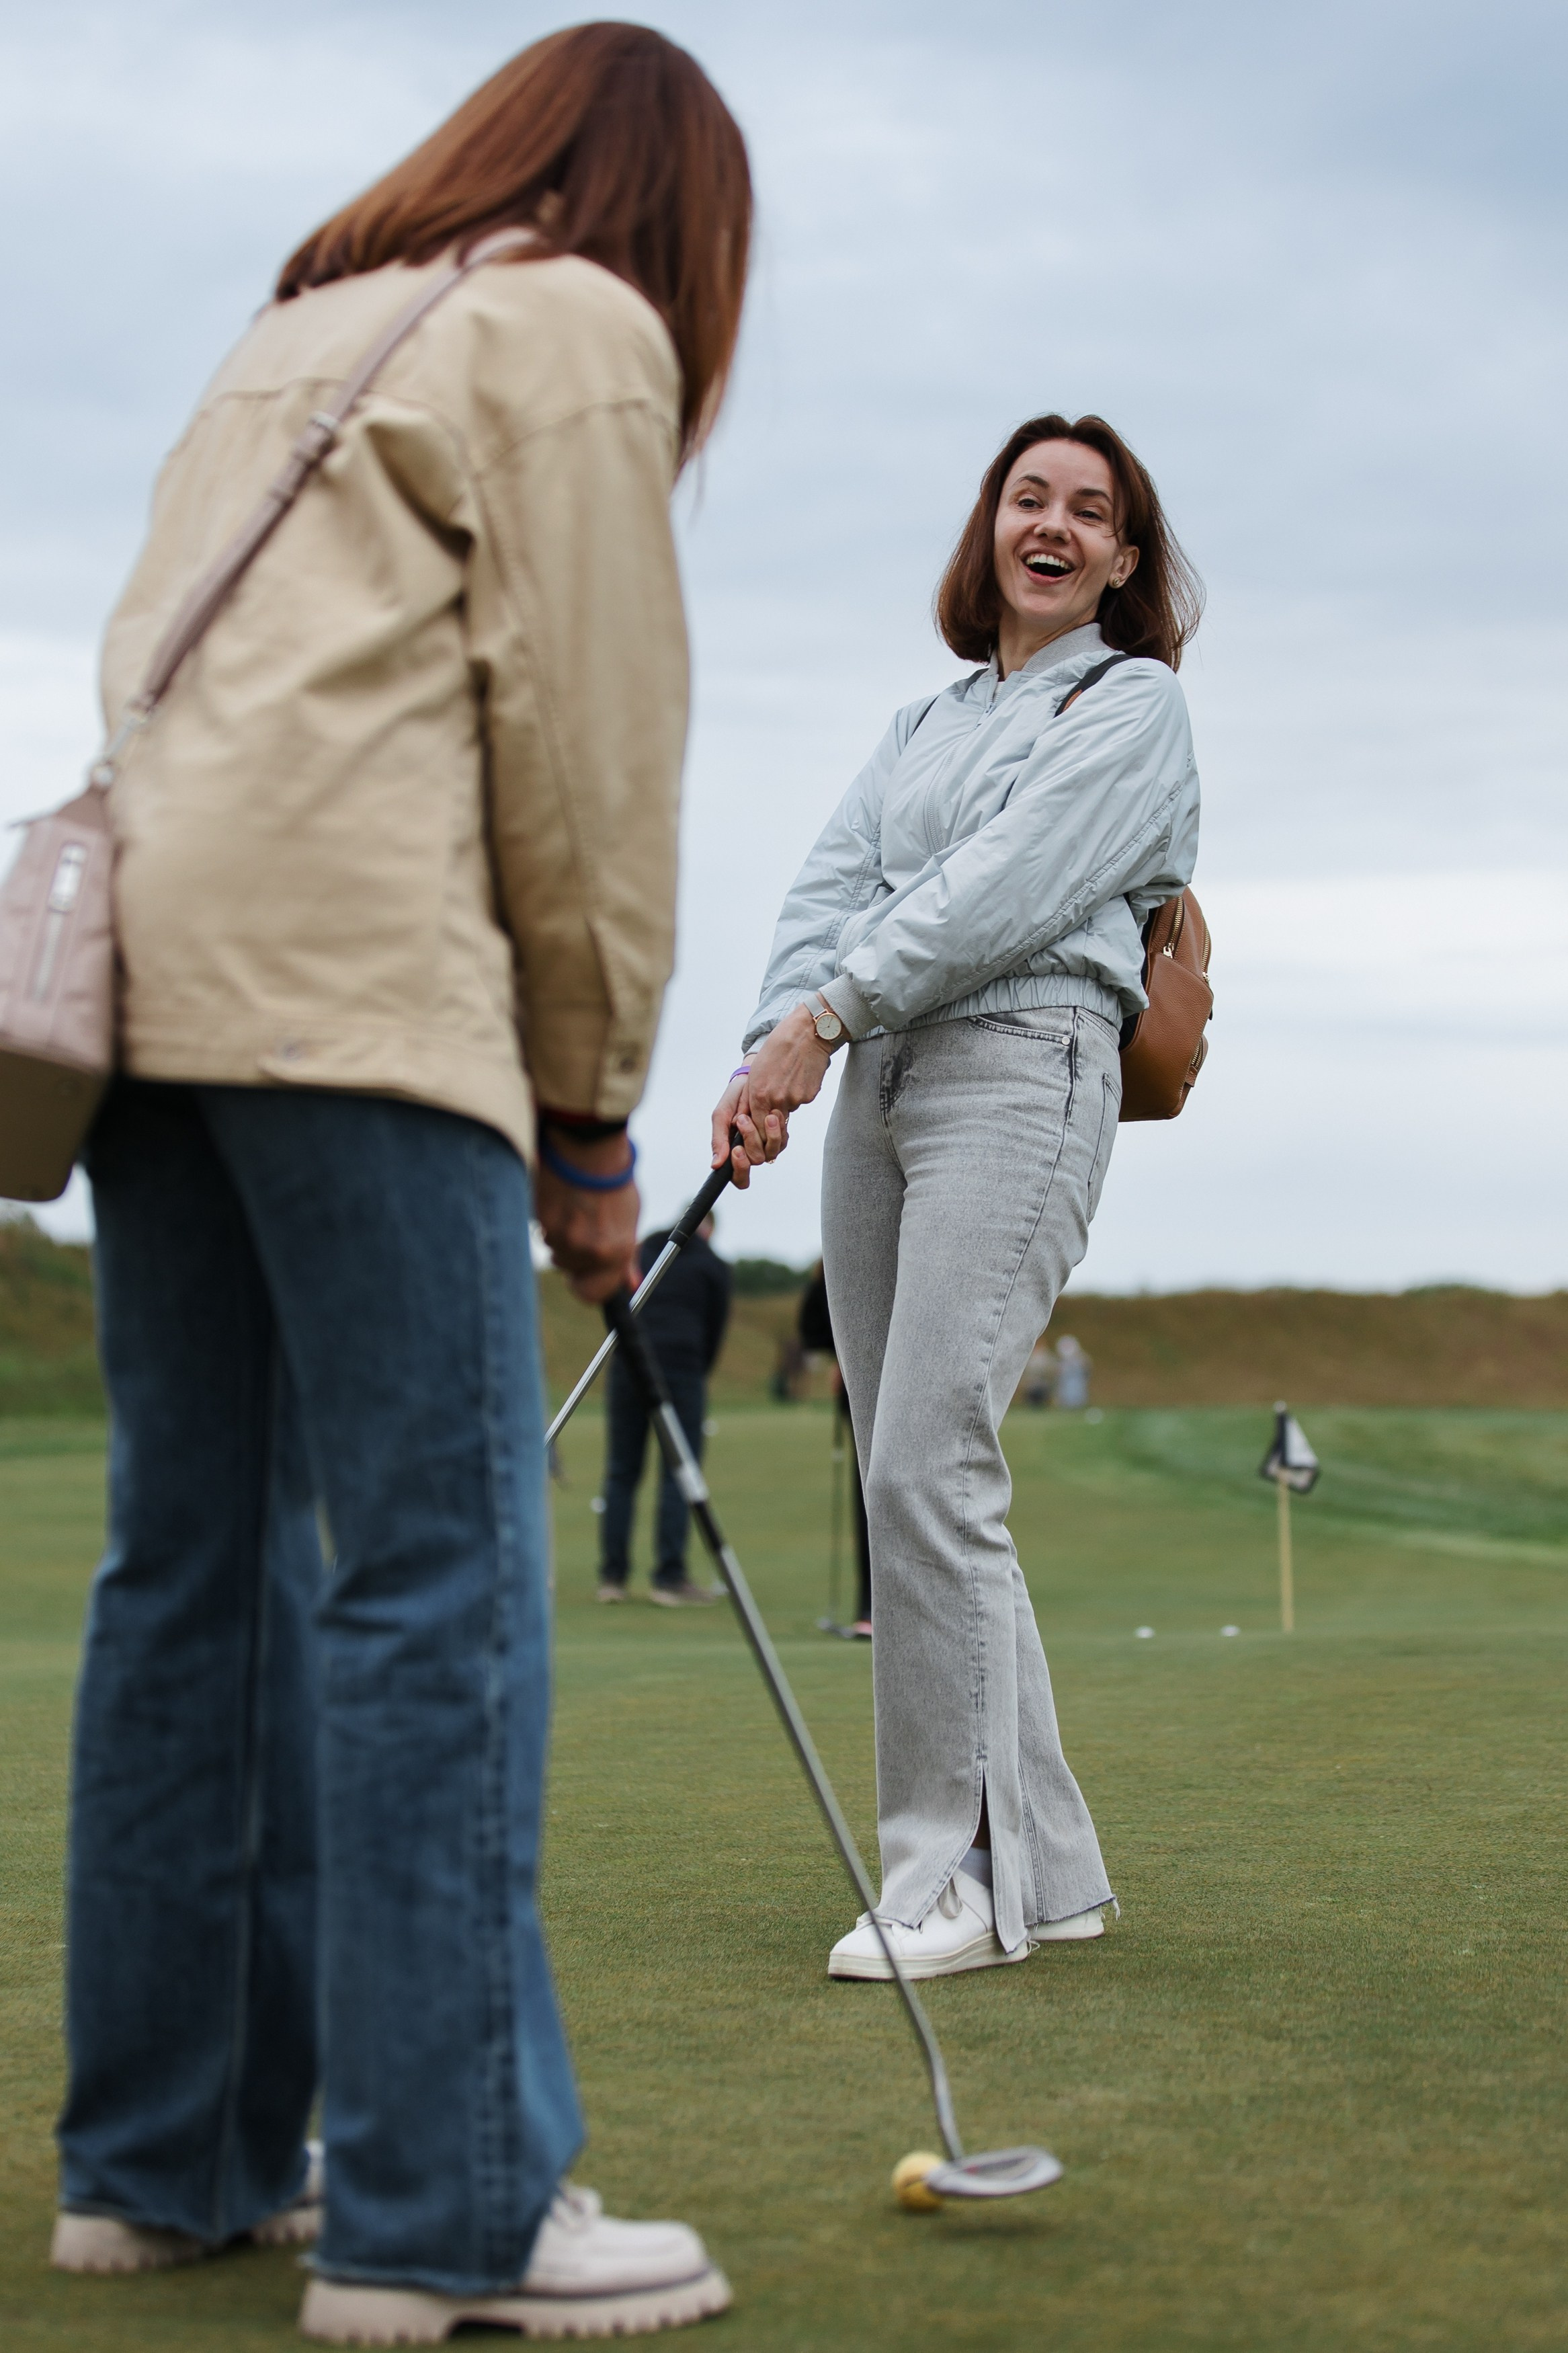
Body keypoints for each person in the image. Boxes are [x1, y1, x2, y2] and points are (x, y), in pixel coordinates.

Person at [52, 27, 751, 2343]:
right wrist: (595, 1115)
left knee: (192, 1570)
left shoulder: (299, 325)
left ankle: (168, 2162)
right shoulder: (581, 322)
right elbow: (589, 749)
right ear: (678, 211)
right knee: (435, 1579)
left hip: (150, 998)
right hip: (363, 997)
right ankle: (445, 2211)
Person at [711, 412, 1201, 1982]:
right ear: (989, 528)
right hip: (875, 1080)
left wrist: (821, 1016)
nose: (1051, 524)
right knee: (908, 1469)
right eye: (1025, 497)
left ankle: (948, 1875)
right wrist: (772, 1045)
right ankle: (1047, 1872)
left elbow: (1008, 887)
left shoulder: (1132, 705)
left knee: (928, 1457)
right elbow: (828, 886)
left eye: (1087, 510)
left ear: (1121, 559)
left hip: (1022, 1063)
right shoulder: (919, 723)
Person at [598, 1217, 731, 1605]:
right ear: (709, 1229)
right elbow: (716, 1326)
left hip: (629, 1362)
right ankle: (669, 1578)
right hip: (682, 1369)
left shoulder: (642, 1250)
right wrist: (699, 1369)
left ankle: (612, 1577)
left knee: (622, 1471)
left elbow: (613, 1298)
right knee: (679, 1472)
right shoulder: (712, 1265)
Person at [798, 1262, 872, 1634]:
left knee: (873, 1487)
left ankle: (871, 1610)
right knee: (873, 1487)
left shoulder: (835, 1268)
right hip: (861, 1382)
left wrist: (839, 1353)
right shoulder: (835, 1270)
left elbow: (811, 1330)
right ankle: (871, 1609)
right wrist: (842, 1352)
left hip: (862, 1382)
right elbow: (812, 1328)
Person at [1053, 1333, 1093, 1410]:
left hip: (1078, 1392)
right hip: (1064, 1394)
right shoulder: (1060, 1363)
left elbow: (1087, 1373)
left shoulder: (1082, 1360)